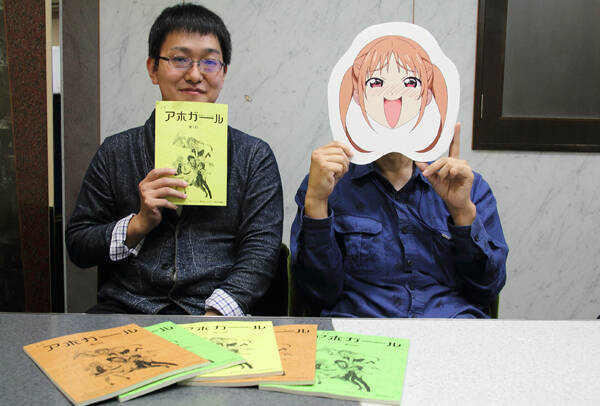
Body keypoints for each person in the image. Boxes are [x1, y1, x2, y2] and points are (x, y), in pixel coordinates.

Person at [66, 4, 283, 315]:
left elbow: (261, 252)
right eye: (180, 59)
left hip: (215, 313)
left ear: (223, 73)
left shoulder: (254, 157)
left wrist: (216, 314)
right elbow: (78, 245)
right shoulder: (115, 151)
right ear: (153, 69)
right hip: (128, 309)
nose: (194, 75)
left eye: (210, 62)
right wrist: (138, 224)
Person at [291, 36, 507, 318]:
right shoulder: (328, 184)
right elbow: (317, 294)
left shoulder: (469, 187)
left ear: (427, 97)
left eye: (410, 83)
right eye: (375, 83)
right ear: (357, 97)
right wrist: (317, 204)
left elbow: (486, 290)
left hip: (450, 326)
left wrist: (462, 212)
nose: (393, 95)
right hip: (360, 330)